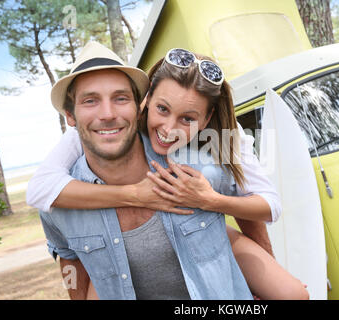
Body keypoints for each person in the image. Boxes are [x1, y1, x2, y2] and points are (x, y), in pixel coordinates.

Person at [31, 42, 308, 300]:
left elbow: (258, 202)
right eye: (90, 101)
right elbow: (53, 223)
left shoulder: (211, 157)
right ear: (148, 101)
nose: (168, 128)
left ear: (136, 102)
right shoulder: (61, 193)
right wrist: (135, 195)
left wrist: (210, 202)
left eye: (120, 98)